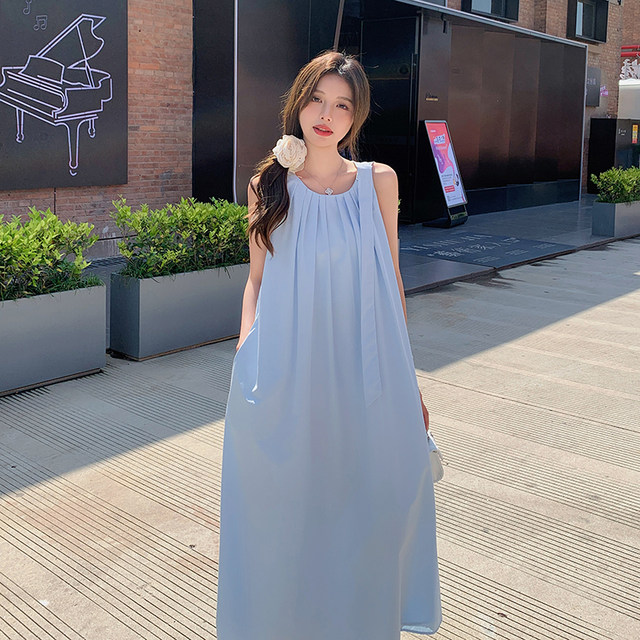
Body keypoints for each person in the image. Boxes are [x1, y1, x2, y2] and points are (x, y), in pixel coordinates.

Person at [216, 50, 442, 640]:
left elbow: (391, 280)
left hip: (365, 372)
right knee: (285, 507)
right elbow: (257, 279)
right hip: (285, 371)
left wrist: (410, 381)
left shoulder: (379, 182)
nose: (326, 115)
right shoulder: (268, 184)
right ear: (298, 102)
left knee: (372, 501)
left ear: (355, 116)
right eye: (317, 99)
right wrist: (246, 351)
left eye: (342, 105)